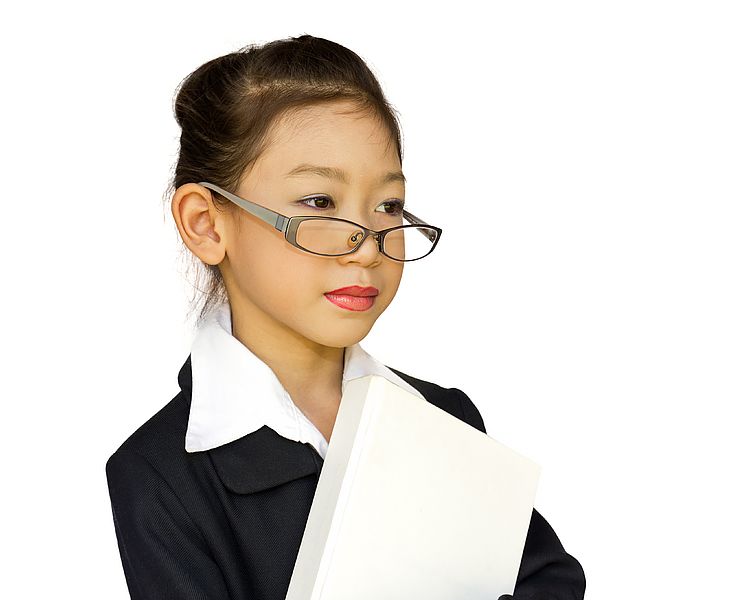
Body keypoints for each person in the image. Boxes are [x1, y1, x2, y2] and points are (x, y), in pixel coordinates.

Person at [104, 34, 586, 600]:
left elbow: (549, 580)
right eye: (319, 203)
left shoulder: (443, 417)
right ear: (207, 224)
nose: (367, 245)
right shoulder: (162, 474)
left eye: (387, 205)